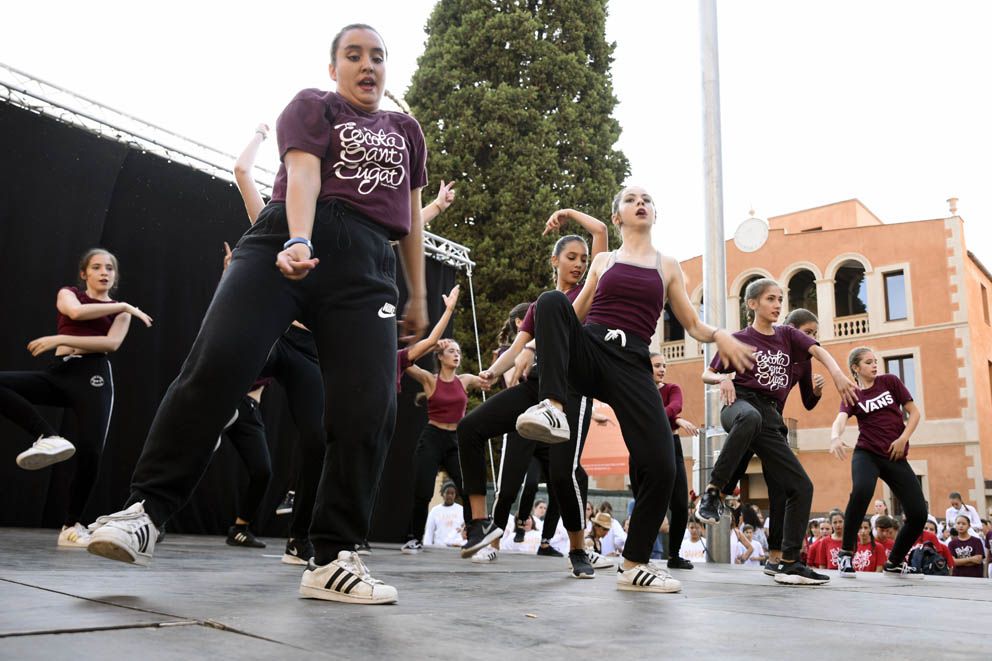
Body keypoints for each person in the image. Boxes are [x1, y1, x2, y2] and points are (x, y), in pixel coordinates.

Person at [86, 24, 428, 606]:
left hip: (368, 264)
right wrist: (298, 238)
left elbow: (413, 213)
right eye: (353, 55)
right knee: (217, 364)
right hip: (281, 240)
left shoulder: (405, 131)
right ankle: (146, 512)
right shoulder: (313, 105)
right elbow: (303, 173)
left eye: (377, 57)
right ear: (334, 68)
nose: (367, 65)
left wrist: (417, 292)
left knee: (371, 405)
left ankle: (332, 558)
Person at [518, 186, 754, 593]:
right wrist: (534, 347)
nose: (640, 203)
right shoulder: (604, 261)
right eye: (631, 199)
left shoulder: (667, 265)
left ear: (654, 215)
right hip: (591, 349)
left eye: (646, 199)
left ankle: (633, 564)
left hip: (632, 363)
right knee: (551, 302)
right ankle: (553, 405)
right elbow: (570, 315)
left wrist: (721, 336)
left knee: (663, 466)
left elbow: (693, 324)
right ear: (617, 217)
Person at [458, 208, 609, 577]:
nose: (578, 264)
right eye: (571, 258)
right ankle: (480, 524)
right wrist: (492, 372)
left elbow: (602, 232)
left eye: (583, 259)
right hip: (534, 390)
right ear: (554, 260)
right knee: (469, 429)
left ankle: (578, 549)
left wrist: (569, 214)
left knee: (562, 474)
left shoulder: (591, 290)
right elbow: (516, 348)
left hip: (572, 391)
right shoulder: (539, 305)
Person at [698, 282, 856, 585]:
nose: (777, 304)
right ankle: (712, 492)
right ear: (752, 304)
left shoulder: (786, 335)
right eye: (770, 299)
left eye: (780, 299)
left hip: (771, 417)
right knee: (750, 417)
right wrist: (724, 379)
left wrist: (837, 375)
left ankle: (788, 562)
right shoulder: (738, 339)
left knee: (801, 487)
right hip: (740, 404)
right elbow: (707, 372)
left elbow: (817, 350)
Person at [0, 249, 152, 547]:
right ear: (84, 274)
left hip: (93, 376)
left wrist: (60, 338)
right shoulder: (70, 294)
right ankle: (46, 435)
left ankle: (71, 526)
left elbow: (111, 343)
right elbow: (76, 313)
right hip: (60, 373)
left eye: (110, 268)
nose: (104, 272)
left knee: (91, 451)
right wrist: (125, 304)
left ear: (115, 275)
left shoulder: (121, 312)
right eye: (96, 267)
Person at [830, 347, 928, 579]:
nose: (875, 365)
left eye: (875, 361)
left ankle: (894, 562)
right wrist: (835, 436)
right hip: (867, 454)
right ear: (856, 368)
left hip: (894, 455)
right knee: (862, 490)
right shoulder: (853, 393)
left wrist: (903, 438)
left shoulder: (890, 382)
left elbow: (914, 413)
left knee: (918, 513)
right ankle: (845, 553)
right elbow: (840, 419)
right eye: (868, 362)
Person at [401, 338, 486, 553]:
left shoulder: (464, 380)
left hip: (455, 440)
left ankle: (473, 537)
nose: (457, 354)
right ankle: (414, 538)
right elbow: (405, 362)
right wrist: (431, 345)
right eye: (451, 351)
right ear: (440, 356)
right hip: (432, 438)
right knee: (423, 491)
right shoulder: (430, 380)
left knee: (467, 489)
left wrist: (494, 369)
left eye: (458, 351)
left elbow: (487, 381)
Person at [648, 352, 698, 570]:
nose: (662, 369)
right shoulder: (640, 390)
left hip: (672, 445)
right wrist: (674, 419)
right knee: (649, 503)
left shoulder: (672, 389)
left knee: (679, 504)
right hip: (647, 448)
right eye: (657, 365)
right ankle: (640, 553)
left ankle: (674, 555)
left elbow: (675, 406)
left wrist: (664, 415)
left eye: (664, 366)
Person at [423, 481, 465, 548]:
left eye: (452, 493)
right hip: (439, 548)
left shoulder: (461, 510)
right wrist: (427, 548)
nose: (450, 495)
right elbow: (429, 531)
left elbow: (465, 529)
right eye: (447, 493)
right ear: (442, 494)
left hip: (457, 547)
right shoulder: (435, 511)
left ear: (455, 495)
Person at [947, 514, 987, 578]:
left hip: (975, 577)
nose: (961, 526)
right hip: (958, 577)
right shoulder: (952, 543)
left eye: (963, 523)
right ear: (955, 525)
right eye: (958, 523)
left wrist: (960, 561)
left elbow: (978, 560)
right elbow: (953, 562)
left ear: (969, 526)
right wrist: (971, 559)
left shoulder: (976, 541)